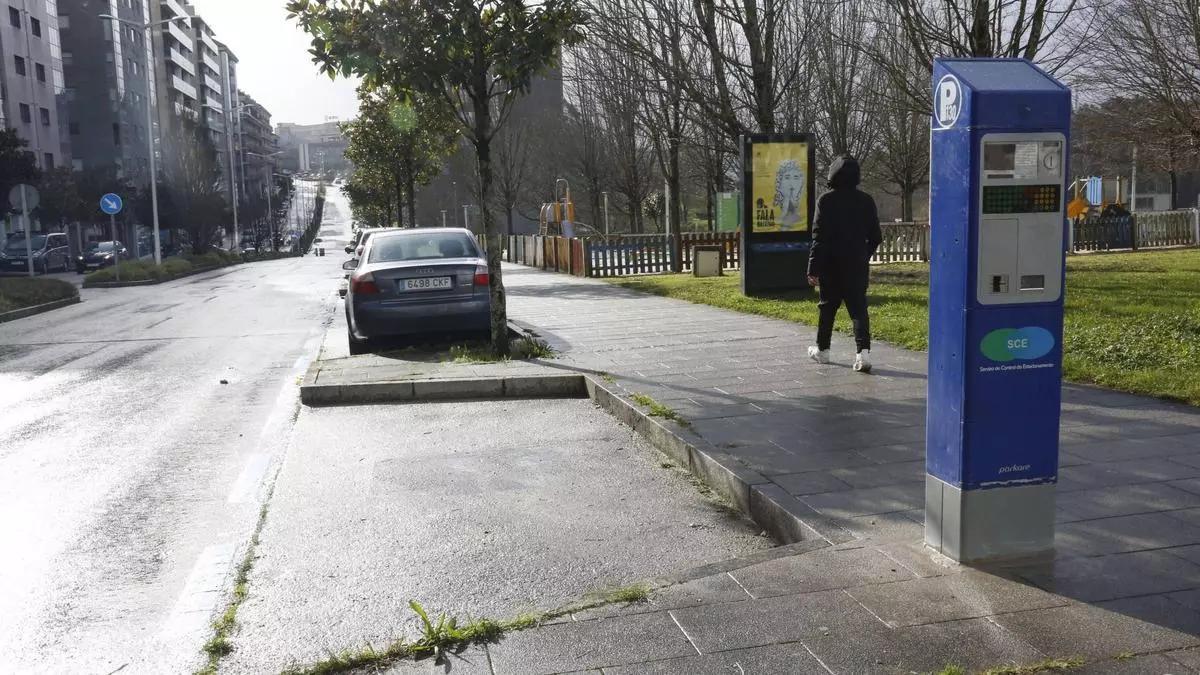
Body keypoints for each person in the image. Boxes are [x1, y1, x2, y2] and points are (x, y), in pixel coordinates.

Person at [805, 156, 882, 373]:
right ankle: (863, 353)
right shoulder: (866, 201)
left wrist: (813, 268)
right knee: (858, 308)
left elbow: (818, 238)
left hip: (831, 264)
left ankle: (823, 350)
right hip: (856, 264)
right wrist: (862, 256)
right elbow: (876, 236)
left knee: (827, 307)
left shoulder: (826, 201)